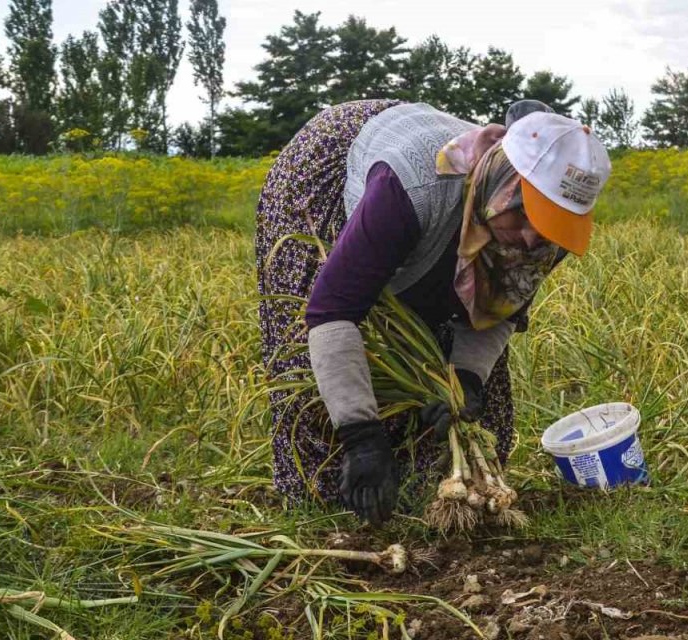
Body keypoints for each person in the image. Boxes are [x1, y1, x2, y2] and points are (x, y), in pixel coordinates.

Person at [254, 99, 612, 525]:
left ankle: (427, 489)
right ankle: (326, 503)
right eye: (523, 214)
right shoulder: (408, 187)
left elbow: (499, 310)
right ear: (498, 178)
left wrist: (464, 378)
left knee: (462, 389)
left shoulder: (544, 238)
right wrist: (361, 436)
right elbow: (333, 311)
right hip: (335, 163)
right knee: (315, 337)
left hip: (425, 195)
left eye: (550, 224)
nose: (531, 238)